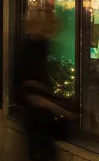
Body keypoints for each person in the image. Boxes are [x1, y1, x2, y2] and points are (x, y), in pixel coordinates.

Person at [13, 13, 74, 161]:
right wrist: (58, 109)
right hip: (36, 117)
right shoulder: (28, 50)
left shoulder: (42, 46)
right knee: (41, 152)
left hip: (42, 117)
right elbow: (30, 91)